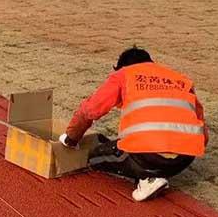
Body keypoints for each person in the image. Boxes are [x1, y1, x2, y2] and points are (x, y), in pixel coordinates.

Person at [58, 47, 209, 202]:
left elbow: (89, 111)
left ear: (122, 66)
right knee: (135, 149)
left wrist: (71, 138)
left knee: (95, 157)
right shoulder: (181, 80)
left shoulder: (123, 75)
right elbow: (203, 132)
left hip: (148, 156)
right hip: (183, 160)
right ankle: (153, 172)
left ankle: (147, 178)